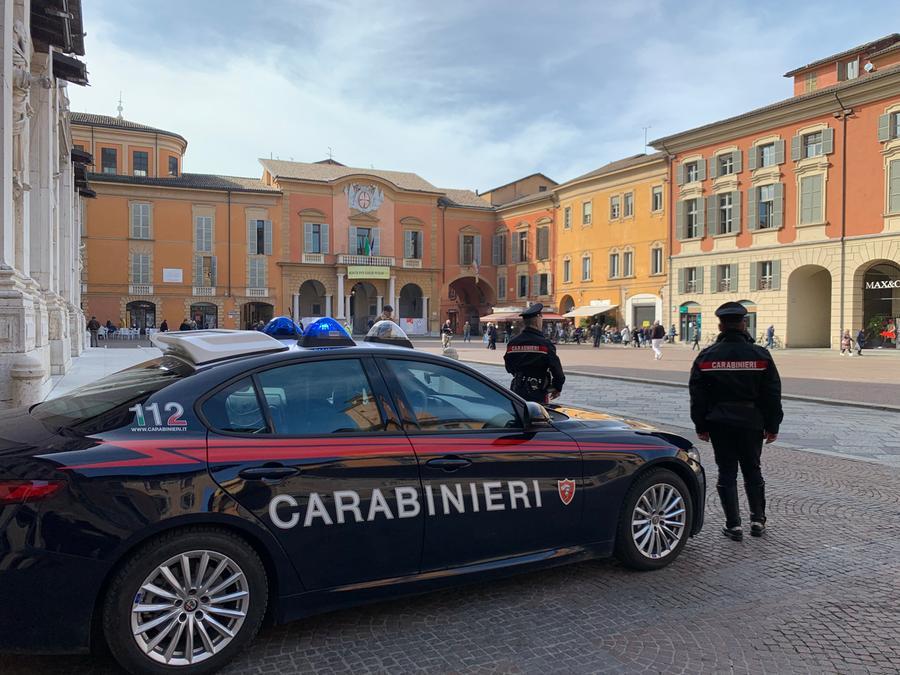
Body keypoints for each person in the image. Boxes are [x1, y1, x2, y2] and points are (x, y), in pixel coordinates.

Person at [689, 301, 783, 541]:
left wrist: (701, 425)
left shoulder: (707, 356)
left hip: (720, 423)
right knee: (753, 470)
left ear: (720, 325)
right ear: (743, 324)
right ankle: (758, 520)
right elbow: (772, 393)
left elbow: (697, 394)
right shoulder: (760, 354)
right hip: (751, 421)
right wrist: (773, 425)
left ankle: (734, 525)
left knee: (727, 472)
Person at [504, 303, 565, 403]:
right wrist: (557, 387)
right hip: (538, 391)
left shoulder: (512, 343)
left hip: (517, 390)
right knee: (538, 416)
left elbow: (509, 367)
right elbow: (557, 371)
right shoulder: (545, 344)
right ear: (538, 319)